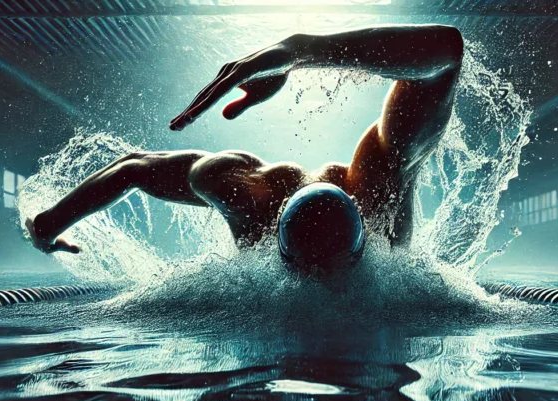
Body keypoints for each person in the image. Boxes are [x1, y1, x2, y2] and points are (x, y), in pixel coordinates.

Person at [26, 25, 464, 274]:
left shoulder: (380, 195)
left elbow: (446, 53)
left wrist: (302, 50)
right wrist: (51, 221)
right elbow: (136, 168)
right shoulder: (247, 196)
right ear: (275, 240)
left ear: (363, 242)